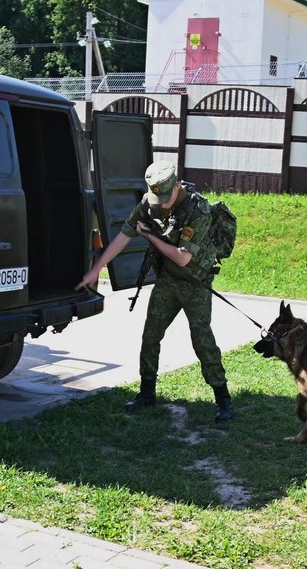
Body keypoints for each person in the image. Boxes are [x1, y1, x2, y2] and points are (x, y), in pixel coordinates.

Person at [76, 161, 233, 422]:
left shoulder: (198, 209)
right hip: (168, 280)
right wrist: (97, 269)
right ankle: (147, 393)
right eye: (156, 197)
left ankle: (223, 398)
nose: (161, 203)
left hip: (195, 282)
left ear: (176, 186)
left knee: (202, 341)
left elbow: (183, 257)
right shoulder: (150, 204)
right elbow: (124, 236)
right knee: (150, 336)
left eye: (165, 197)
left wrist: (150, 237)